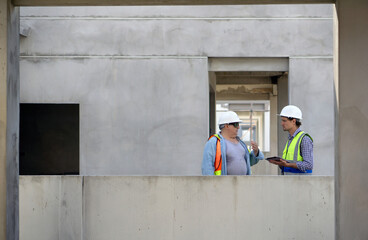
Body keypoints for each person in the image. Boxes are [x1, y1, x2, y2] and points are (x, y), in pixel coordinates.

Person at [202, 111, 264, 175]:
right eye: (236, 124)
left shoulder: (241, 143)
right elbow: (207, 167)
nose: (238, 127)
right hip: (223, 184)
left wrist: (256, 152)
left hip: (243, 183)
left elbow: (249, 161)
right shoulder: (213, 142)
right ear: (226, 126)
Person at [268, 105, 313, 174]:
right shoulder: (291, 139)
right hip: (289, 182)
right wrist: (281, 163)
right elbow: (289, 164)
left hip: (301, 183)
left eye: (284, 121)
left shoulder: (304, 139)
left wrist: (288, 164)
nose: (282, 123)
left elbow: (308, 165)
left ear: (293, 121)